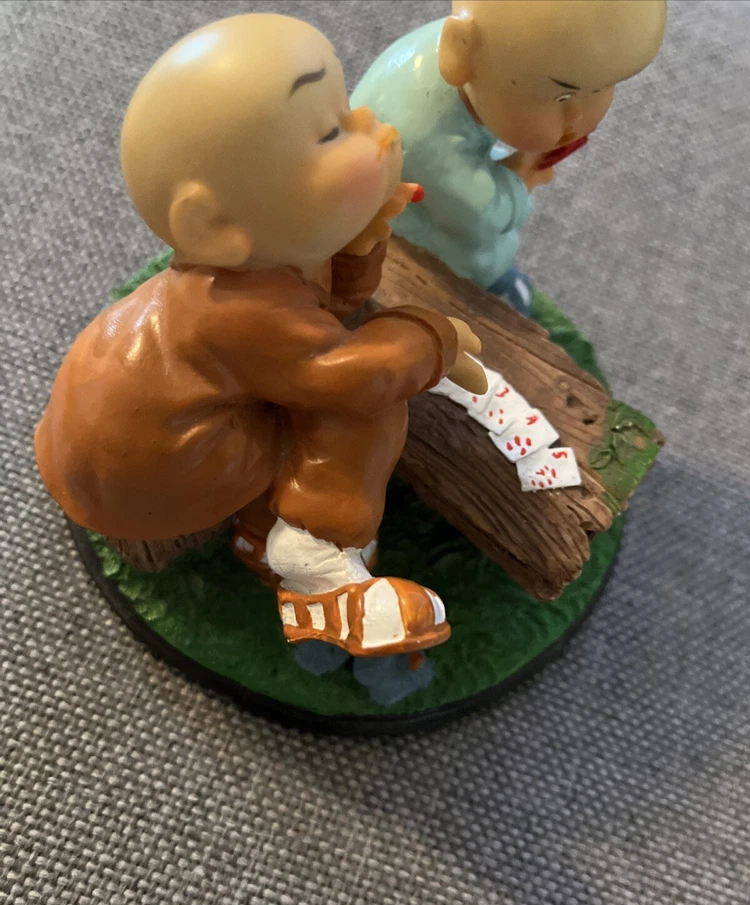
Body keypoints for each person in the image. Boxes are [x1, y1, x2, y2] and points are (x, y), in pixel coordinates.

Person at [35, 13, 487, 658]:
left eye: (347, 109)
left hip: (99, 445)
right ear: (214, 228)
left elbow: (329, 307)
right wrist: (431, 338)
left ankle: (281, 533)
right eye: (331, 133)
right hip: (158, 473)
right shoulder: (239, 309)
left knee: (320, 378)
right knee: (363, 407)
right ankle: (314, 561)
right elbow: (350, 373)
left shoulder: (251, 265)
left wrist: (357, 243)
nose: (372, 126)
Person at [352, 0, 667, 316]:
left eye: (603, 87)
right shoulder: (422, 136)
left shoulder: (486, 58)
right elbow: (481, 217)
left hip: (436, 186)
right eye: (564, 96)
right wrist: (520, 173)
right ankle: (486, 295)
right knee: (482, 256)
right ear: (460, 50)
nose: (579, 117)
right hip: (398, 226)